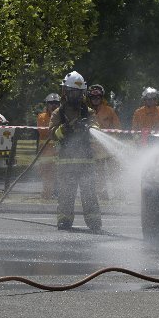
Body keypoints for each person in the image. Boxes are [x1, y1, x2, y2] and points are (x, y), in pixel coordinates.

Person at [49, 71, 101, 232]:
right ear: (65, 92)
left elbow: (96, 129)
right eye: (73, 92)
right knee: (66, 194)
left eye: (79, 93)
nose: (76, 96)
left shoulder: (89, 112)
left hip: (86, 161)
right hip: (66, 162)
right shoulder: (59, 113)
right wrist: (65, 128)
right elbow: (52, 134)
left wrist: (88, 127)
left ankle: (94, 222)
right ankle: (64, 220)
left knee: (90, 194)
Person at [87, 84, 121, 199]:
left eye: (97, 97)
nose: (95, 99)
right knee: (99, 174)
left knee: (114, 172)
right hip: (94, 149)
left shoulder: (109, 111)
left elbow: (117, 128)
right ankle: (102, 196)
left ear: (101, 97)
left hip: (109, 148)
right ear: (89, 98)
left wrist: (114, 144)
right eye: (93, 97)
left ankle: (118, 195)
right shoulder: (87, 112)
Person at [37, 93, 60, 199]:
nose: (54, 105)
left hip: (59, 153)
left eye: (56, 103)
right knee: (46, 176)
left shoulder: (62, 117)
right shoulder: (42, 117)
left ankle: (58, 195)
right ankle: (47, 196)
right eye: (51, 103)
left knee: (59, 175)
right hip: (45, 154)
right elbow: (43, 133)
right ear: (47, 105)